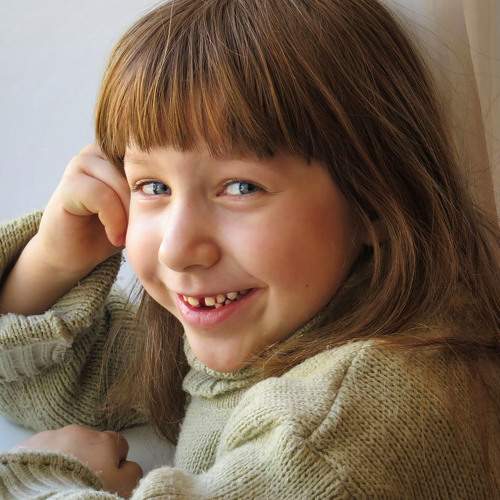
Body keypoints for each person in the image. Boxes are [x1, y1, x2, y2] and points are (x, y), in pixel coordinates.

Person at [0, 0, 499, 497]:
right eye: (153, 187)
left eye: (241, 188)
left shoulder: (346, 427)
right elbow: (51, 383)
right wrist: (53, 259)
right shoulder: (275, 317)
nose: (177, 250)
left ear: (374, 202)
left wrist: (47, 480)